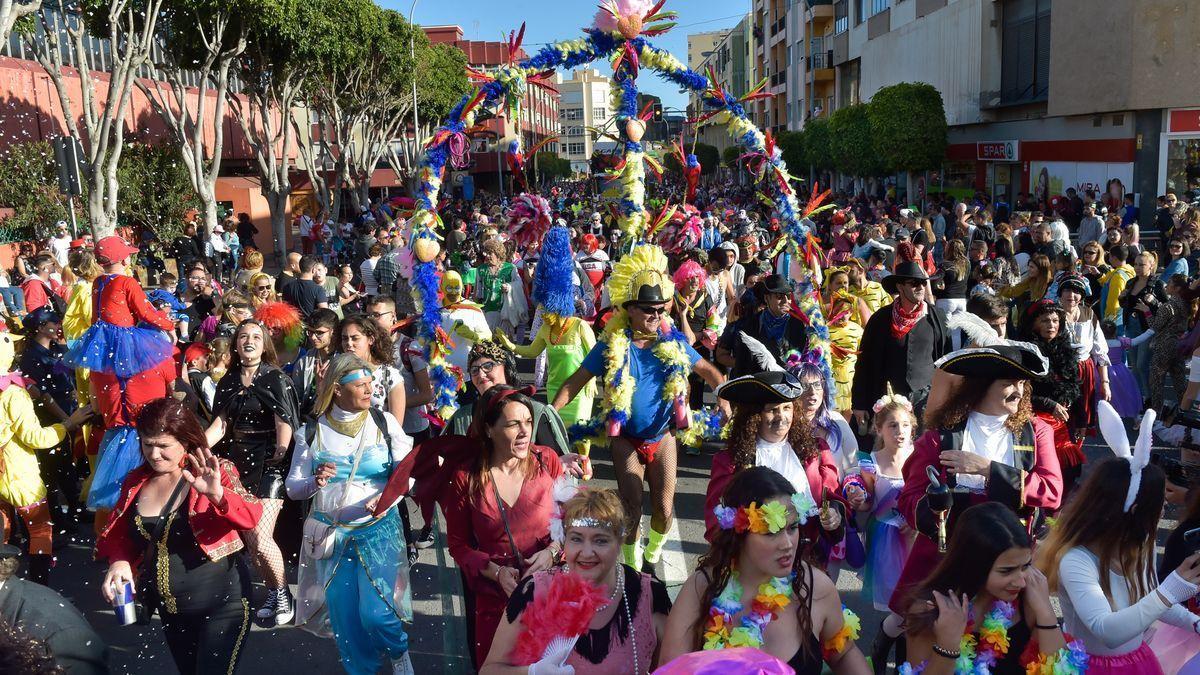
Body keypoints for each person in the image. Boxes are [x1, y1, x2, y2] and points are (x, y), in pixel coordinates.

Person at [554, 246, 726, 570]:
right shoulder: (612, 344)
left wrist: (725, 395)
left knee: (663, 507)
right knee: (631, 506)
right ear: (629, 309)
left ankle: (652, 555)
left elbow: (707, 370)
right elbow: (574, 381)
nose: (656, 316)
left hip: (662, 437)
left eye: (661, 309)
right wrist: (550, 414)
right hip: (626, 440)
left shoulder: (673, 343)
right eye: (648, 309)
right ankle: (634, 569)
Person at [889, 344, 1064, 618]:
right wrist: (936, 505)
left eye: (1021, 383)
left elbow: (1051, 491)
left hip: (1010, 563)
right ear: (981, 387)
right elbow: (909, 498)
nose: (1018, 391)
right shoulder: (941, 436)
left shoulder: (1037, 431)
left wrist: (988, 470)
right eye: (1008, 383)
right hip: (950, 561)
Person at [97, 398, 262, 675]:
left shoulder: (214, 470)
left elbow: (252, 515)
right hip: (172, 612)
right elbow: (120, 533)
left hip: (225, 606)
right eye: (147, 444)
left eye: (163, 446)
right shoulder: (136, 480)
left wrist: (218, 495)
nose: (154, 454)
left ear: (185, 441)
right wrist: (119, 561)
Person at [1039, 404, 1200, 674]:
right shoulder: (1077, 558)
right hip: (1092, 666)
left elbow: (1147, 601)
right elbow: (1108, 631)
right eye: (1159, 503)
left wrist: (1194, 622)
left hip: (1137, 660)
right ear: (1136, 510)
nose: (1164, 510)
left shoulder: (1140, 543)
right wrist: (1172, 589)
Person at [660, 467, 869, 673]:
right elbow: (671, 669)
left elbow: (843, 653)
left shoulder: (816, 588)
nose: (787, 543)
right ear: (739, 534)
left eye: (792, 527)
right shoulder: (702, 589)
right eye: (771, 532)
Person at [286, 353, 415, 675]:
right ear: (337, 389)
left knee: (376, 614)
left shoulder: (384, 424)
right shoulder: (311, 431)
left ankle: (398, 651)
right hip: (333, 536)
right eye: (361, 385)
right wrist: (315, 481)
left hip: (377, 530)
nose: (370, 390)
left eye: (371, 384)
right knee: (345, 619)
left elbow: (409, 476)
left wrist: (387, 498)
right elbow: (293, 488)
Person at [481, 487, 671, 674]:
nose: (587, 553)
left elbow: (673, 668)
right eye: (577, 539)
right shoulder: (534, 591)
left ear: (620, 541)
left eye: (600, 540)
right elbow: (490, 670)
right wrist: (532, 672)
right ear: (565, 541)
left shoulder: (649, 595)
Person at [441, 385, 565, 667]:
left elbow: (573, 524)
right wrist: (496, 573)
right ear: (488, 429)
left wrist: (552, 552)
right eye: (513, 424)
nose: (525, 432)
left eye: (528, 422)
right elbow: (458, 546)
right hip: (495, 602)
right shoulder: (466, 477)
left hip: (549, 593)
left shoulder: (547, 461)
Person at [65, 236, 177, 522]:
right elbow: (145, 312)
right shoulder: (128, 282)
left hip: (105, 342)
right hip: (126, 340)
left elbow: (98, 319)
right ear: (124, 259)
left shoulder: (97, 283)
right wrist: (169, 325)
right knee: (132, 386)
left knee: (116, 389)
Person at [900, 503, 1076, 675]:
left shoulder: (1028, 600)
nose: (1021, 581)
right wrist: (948, 645)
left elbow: (1061, 671)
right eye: (1007, 571)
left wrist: (1045, 612)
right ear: (974, 565)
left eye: (1025, 566)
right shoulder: (930, 610)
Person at [206, 319, 301, 625]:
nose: (249, 341)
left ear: (265, 344)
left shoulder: (276, 379)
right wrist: (193, 450)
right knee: (251, 541)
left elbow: (284, 421)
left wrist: (282, 451)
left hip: (270, 463)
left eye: (256, 337)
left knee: (261, 538)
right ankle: (274, 591)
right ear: (235, 344)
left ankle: (284, 592)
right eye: (243, 336)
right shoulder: (228, 381)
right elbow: (219, 427)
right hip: (237, 464)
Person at [703, 372, 845, 560]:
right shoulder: (730, 461)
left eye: (787, 408)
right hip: (752, 563)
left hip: (805, 558)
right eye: (772, 409)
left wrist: (833, 514)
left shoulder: (816, 450)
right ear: (754, 416)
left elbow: (832, 494)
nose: (781, 416)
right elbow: (716, 520)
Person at [844, 392, 917, 671]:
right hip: (887, 540)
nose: (900, 432)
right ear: (879, 429)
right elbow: (866, 506)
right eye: (893, 426)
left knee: (913, 603)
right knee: (900, 607)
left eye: (906, 425)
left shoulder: (919, 457)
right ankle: (884, 649)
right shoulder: (869, 461)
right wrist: (859, 499)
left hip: (915, 538)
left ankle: (898, 658)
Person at [496, 227, 597, 428]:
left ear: (559, 307)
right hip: (554, 390)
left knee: (581, 443)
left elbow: (595, 358)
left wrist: (592, 384)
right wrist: (510, 345)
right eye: (542, 310)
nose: (543, 316)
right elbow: (533, 351)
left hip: (580, 393)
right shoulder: (546, 329)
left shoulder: (579, 327)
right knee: (560, 440)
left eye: (548, 311)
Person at [851, 260, 951, 423]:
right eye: (914, 283)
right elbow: (864, 362)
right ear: (899, 287)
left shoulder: (936, 317)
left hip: (925, 401)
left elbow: (946, 362)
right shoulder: (881, 319)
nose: (920, 287)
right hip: (888, 402)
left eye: (923, 283)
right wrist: (859, 403)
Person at [447, 340, 572, 453]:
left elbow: (559, 465)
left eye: (488, 366)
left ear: (506, 368)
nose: (480, 374)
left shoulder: (538, 412)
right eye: (474, 370)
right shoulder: (461, 417)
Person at [1021, 300, 1084, 495]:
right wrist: (1049, 404)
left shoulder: (1066, 349)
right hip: (1035, 421)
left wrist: (1082, 419)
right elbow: (1021, 393)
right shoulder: (1026, 352)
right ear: (1034, 324)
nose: (1051, 325)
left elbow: (1075, 386)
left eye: (1055, 320)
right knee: (1043, 470)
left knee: (1071, 472)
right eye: (1045, 321)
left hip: (1063, 421)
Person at [716, 274, 810, 377]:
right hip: (757, 383)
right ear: (766, 298)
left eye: (788, 296)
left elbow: (805, 359)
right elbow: (729, 358)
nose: (785, 301)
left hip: (788, 382)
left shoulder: (798, 324)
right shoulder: (751, 324)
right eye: (779, 296)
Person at [339, 315, 406, 422]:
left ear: (370, 339)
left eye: (355, 338)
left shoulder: (390, 376)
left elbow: (396, 428)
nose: (349, 344)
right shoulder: (338, 372)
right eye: (344, 338)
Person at [440, 270, 492, 382]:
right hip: (440, 376)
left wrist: (473, 335)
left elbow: (488, 336)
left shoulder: (472, 308)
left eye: (457, 288)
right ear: (442, 286)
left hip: (468, 376)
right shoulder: (433, 310)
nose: (454, 292)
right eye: (449, 288)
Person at [290, 308, 340, 422]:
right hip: (309, 421)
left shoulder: (343, 359)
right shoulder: (304, 362)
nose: (313, 337)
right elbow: (297, 397)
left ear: (334, 332)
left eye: (319, 333)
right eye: (310, 332)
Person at [281, 254, 329, 318]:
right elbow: (325, 313)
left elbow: (285, 308)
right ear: (313, 270)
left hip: (294, 325)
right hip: (311, 326)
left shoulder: (287, 287)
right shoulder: (318, 289)